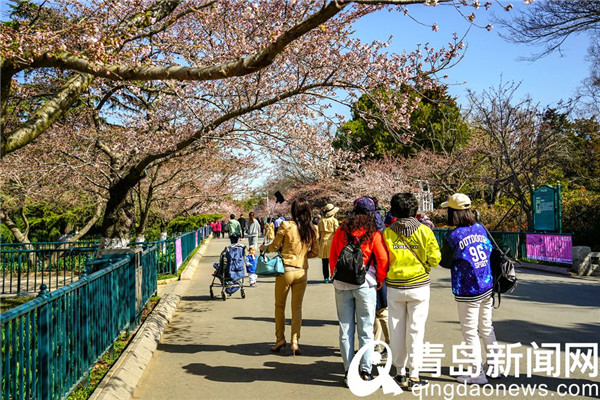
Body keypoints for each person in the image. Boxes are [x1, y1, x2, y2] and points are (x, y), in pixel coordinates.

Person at [439, 193, 499, 385]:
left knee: (470, 331)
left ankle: (477, 374)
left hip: (467, 290)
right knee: (486, 326)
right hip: (487, 285)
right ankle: (494, 367)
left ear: (453, 212)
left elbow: (445, 262)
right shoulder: (480, 228)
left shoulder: (453, 236)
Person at [383, 193, 441, 390]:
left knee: (396, 329)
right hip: (419, 286)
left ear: (394, 210)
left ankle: (399, 372)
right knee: (416, 330)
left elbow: (382, 260)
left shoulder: (387, 233)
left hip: (394, 286)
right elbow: (435, 259)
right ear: (414, 209)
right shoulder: (425, 232)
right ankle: (414, 374)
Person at [329, 196, 389, 385]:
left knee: (345, 330)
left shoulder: (342, 230)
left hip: (342, 284)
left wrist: (335, 275)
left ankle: (348, 370)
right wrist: (379, 280)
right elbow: (382, 259)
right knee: (365, 330)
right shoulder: (373, 233)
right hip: (365, 284)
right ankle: (365, 370)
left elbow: (333, 255)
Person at [260, 198, 319, 356]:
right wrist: (303, 256)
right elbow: (315, 252)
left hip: (285, 270)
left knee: (280, 306)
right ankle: (295, 341)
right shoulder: (312, 229)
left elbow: (275, 246)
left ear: (293, 211)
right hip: (302, 271)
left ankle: (280, 339)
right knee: (297, 308)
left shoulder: (286, 226)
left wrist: (265, 248)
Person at [318, 203, 339, 283]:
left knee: (324, 261)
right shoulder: (334, 221)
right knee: (333, 260)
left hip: (323, 241)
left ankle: (325, 278)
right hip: (332, 241)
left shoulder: (321, 221)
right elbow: (337, 232)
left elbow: (319, 233)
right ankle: (333, 276)